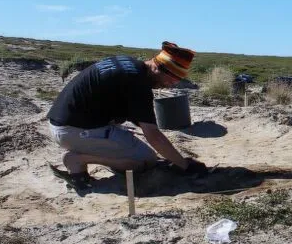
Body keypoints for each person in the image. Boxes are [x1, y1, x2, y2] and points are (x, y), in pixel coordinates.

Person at [47, 41, 207, 190]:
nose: (171, 85)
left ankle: (95, 158)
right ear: (158, 68)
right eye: (171, 80)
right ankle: (78, 159)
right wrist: (185, 165)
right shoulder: (138, 84)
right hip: (73, 131)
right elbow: (153, 136)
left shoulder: (129, 64)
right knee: (146, 160)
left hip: (66, 123)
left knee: (134, 147)